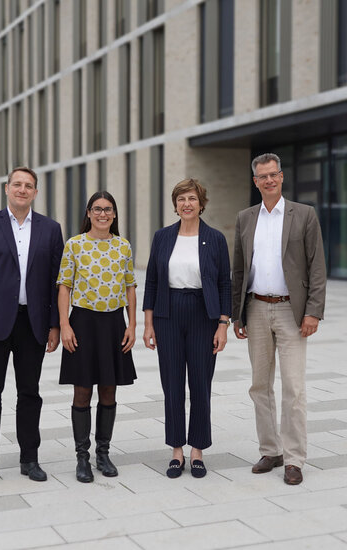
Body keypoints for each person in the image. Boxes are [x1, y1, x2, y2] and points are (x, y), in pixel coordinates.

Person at [0, 166, 63, 488]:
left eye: (29, 186)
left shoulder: (51, 229)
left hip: (32, 324)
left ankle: (29, 459)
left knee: (30, 393)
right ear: (7, 189)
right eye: (17, 184)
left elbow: (55, 282)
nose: (22, 189)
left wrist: (54, 326)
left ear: (35, 192)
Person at [231, 153, 326, 486]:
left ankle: (295, 458)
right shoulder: (245, 218)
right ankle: (270, 450)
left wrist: (313, 311)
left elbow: (317, 267)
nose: (268, 181)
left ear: (282, 177)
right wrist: (236, 313)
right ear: (255, 182)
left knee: (293, 387)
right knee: (260, 385)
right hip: (255, 307)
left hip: (291, 311)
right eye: (262, 177)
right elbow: (239, 269)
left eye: (273, 175)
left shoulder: (304, 215)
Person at [142, 179, 231, 479]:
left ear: (201, 203)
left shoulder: (215, 238)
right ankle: (177, 450)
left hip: (203, 315)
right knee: (172, 385)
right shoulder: (163, 237)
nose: (186, 204)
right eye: (181, 199)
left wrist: (223, 324)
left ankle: (198, 450)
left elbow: (224, 284)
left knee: (201, 384)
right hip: (168, 314)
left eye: (191, 198)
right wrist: (148, 323)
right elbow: (152, 280)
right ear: (175, 204)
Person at [58, 191, 137, 483]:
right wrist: (64, 325)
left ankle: (103, 453)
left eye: (108, 209)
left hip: (114, 324)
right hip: (83, 323)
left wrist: (132, 325)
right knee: (82, 390)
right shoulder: (74, 245)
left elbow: (130, 286)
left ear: (114, 214)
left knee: (109, 389)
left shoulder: (123, 246)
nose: (103, 214)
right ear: (89, 213)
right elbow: (64, 286)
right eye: (97, 209)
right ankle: (82, 457)